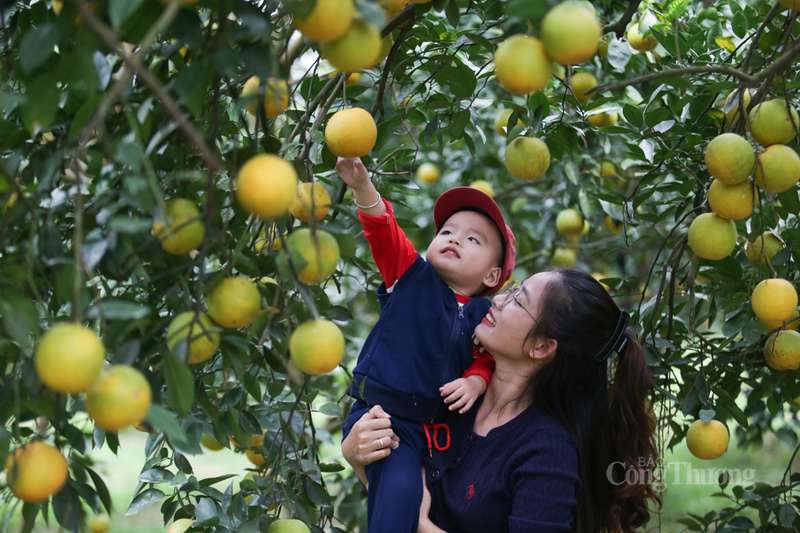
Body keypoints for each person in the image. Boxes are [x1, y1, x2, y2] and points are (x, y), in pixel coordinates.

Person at [343, 269, 663, 533]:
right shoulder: (451, 395)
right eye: (512, 289)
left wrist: (422, 525)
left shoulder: (545, 451)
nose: (497, 298)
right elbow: (398, 494)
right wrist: (358, 455)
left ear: (541, 347)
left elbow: (413, 515)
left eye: (516, 300)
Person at [334, 157, 516, 533]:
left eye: (472, 239)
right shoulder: (410, 275)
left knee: (428, 507)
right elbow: (382, 230)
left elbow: (488, 361)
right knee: (398, 498)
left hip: (436, 434)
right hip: (385, 417)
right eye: (447, 231)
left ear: (492, 275)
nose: (453, 239)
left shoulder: (488, 316)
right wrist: (361, 186)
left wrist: (476, 381)